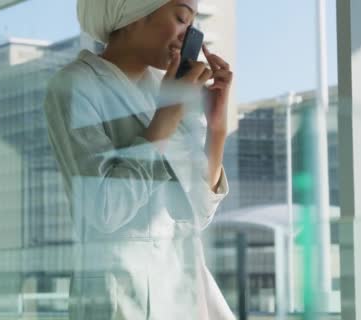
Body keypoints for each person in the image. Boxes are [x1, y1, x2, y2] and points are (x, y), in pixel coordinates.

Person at [43, 0, 235, 319]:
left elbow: (195, 215)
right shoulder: (75, 86)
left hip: (186, 291)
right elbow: (105, 209)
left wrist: (216, 129)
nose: (190, 34)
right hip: (123, 297)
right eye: (181, 18)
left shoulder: (165, 91)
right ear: (133, 14)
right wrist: (166, 117)